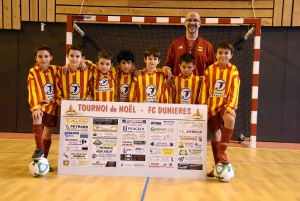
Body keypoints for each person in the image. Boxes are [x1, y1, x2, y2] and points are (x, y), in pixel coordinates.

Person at [199, 41, 240, 177]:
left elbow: (235, 89)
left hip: (225, 105)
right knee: (215, 133)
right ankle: (217, 167)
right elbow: (204, 89)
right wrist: (204, 106)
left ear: (231, 55)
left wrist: (231, 106)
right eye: (220, 53)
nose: (223, 56)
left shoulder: (233, 70)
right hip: (212, 106)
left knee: (230, 119)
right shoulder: (209, 70)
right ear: (216, 55)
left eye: (226, 53)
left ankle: (222, 151)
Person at [27, 45, 60, 171]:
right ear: (36, 58)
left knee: (48, 130)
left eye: (46, 56)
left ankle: (44, 159)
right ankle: (39, 148)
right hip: (39, 104)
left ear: (51, 58)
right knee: (37, 117)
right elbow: (32, 90)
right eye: (40, 56)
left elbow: (68, 68)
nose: (43, 59)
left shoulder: (56, 69)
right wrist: (36, 107)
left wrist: (84, 62)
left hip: (52, 104)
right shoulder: (33, 72)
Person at [163, 11, 215, 79]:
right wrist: (167, 70)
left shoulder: (207, 46)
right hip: (179, 87)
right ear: (185, 23)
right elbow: (167, 66)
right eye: (189, 20)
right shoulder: (175, 44)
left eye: (195, 20)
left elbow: (213, 69)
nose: (192, 23)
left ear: (200, 23)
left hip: (200, 87)